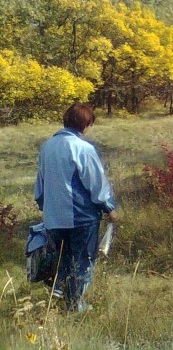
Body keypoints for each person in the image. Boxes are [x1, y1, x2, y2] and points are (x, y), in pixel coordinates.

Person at [34, 103, 120, 312]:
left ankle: (60, 294)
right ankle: (74, 306)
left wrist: (44, 205)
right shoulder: (83, 148)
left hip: (54, 216)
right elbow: (96, 183)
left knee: (62, 258)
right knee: (82, 259)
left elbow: (40, 183)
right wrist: (110, 207)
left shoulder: (47, 146)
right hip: (81, 216)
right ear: (85, 124)